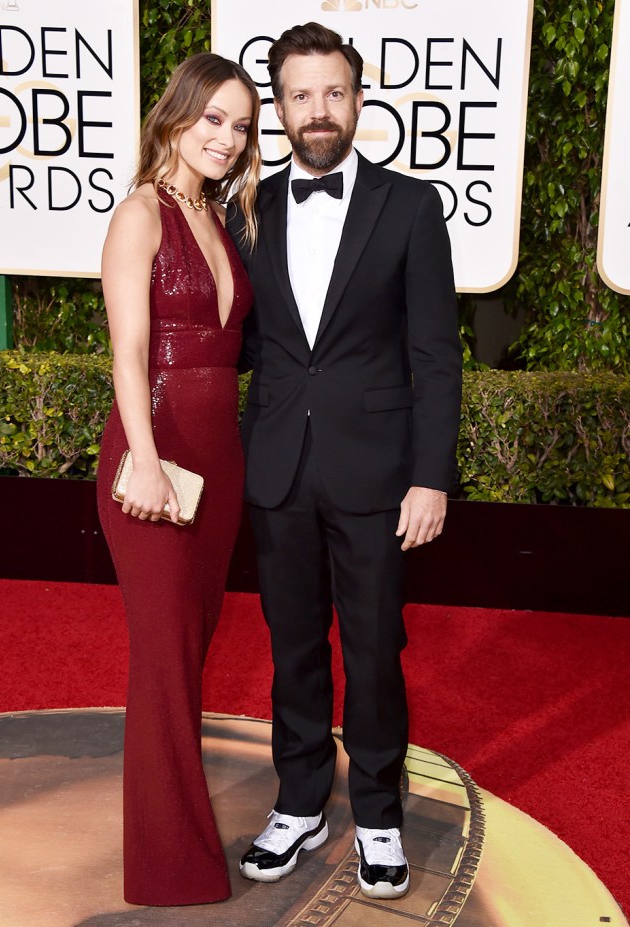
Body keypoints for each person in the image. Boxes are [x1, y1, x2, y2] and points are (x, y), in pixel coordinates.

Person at [227, 23, 462, 900]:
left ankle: (377, 813)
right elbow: (239, 342)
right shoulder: (250, 207)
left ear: (359, 100)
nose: (316, 111)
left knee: (373, 649)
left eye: (333, 93)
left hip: (378, 474)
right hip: (278, 465)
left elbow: (437, 353)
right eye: (298, 95)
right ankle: (298, 803)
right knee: (292, 648)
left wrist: (430, 474)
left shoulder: (410, 206)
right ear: (278, 108)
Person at [96, 53, 260, 906]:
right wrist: (147, 459)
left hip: (218, 464)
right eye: (214, 119)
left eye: (240, 125)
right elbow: (128, 352)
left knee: (188, 657)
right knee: (163, 661)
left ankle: (175, 840)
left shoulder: (220, 216)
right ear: (176, 115)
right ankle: (171, 865)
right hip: (152, 458)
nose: (227, 138)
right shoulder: (142, 214)